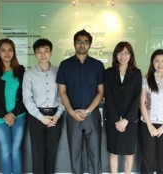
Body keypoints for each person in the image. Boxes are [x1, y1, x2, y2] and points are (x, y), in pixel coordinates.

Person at [56, 29, 104, 174]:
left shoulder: (97, 65)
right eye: (79, 41)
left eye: (85, 42)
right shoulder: (65, 65)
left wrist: (88, 110)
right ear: (74, 44)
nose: (82, 44)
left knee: (95, 154)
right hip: (73, 115)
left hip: (92, 115)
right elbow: (62, 91)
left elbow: (101, 92)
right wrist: (71, 112)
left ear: (90, 45)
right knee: (75, 154)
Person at [22, 38, 64, 174]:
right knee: (38, 153)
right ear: (35, 54)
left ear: (51, 53)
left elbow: (62, 96)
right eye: (39, 51)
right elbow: (27, 99)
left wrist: (56, 116)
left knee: (52, 153)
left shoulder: (59, 71)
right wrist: (41, 118)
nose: (43, 54)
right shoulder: (28, 74)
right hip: (36, 116)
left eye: (46, 50)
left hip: (55, 116)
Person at [0, 38, 26, 174]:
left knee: (16, 150)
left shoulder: (20, 70)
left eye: (10, 50)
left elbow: (24, 95)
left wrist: (14, 114)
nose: (7, 53)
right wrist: (5, 115)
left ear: (14, 52)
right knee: (5, 150)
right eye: (3, 50)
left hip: (19, 116)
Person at [104, 41, 142, 174]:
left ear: (131, 55)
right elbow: (108, 97)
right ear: (116, 55)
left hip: (130, 121)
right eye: (120, 53)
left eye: (126, 53)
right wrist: (116, 120)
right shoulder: (108, 73)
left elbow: (137, 98)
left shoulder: (136, 73)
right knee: (113, 153)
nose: (123, 56)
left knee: (128, 154)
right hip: (112, 120)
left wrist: (126, 119)